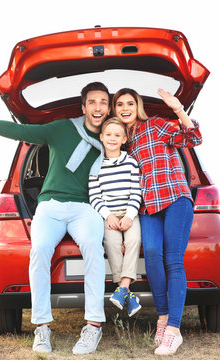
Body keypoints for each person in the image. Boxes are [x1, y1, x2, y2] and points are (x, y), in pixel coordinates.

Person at [0, 82, 110, 355]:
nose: (97, 107)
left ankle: (93, 326)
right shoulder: (61, 128)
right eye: (92, 102)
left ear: (108, 107)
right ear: (83, 107)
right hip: (50, 205)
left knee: (94, 248)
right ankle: (42, 328)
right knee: (40, 251)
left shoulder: (114, 136)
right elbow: (20, 131)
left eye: (103, 102)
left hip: (86, 207)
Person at [112, 88, 202, 356]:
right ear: (115, 110)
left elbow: (194, 137)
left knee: (173, 260)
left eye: (130, 103)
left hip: (175, 198)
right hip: (148, 206)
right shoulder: (122, 142)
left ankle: (173, 330)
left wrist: (178, 109)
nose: (125, 108)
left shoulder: (156, 125)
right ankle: (163, 317)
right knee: (151, 254)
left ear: (137, 105)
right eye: (120, 104)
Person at [88, 117, 142, 317]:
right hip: (109, 214)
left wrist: (129, 216)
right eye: (108, 134)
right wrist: (107, 215)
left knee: (134, 239)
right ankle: (127, 293)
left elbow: (136, 193)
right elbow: (94, 195)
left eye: (117, 135)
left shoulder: (130, 162)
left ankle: (123, 287)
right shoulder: (96, 165)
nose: (112, 138)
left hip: (129, 212)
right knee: (111, 243)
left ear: (124, 139)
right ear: (101, 137)